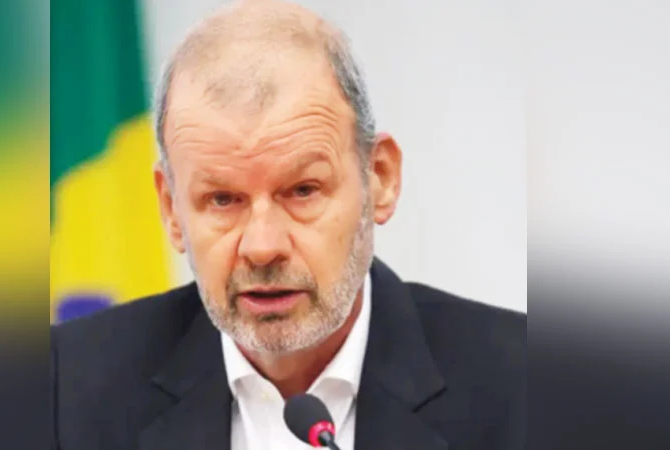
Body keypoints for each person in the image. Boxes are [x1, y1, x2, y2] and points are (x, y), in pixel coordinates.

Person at [50, 1, 526, 449]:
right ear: (171, 208)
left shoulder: (526, 388)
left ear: (379, 179)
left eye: (302, 191)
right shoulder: (61, 392)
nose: (262, 247)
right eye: (223, 199)